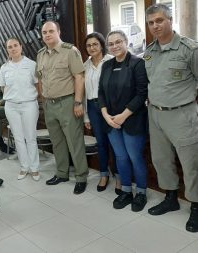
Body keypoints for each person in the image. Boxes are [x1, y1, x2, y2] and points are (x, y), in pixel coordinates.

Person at [144, 4, 198, 232]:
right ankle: (171, 198)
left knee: (191, 164)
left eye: (159, 20)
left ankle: (196, 206)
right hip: (155, 114)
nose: (155, 26)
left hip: (182, 115)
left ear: (170, 20)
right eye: (151, 23)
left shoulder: (190, 49)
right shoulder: (149, 50)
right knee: (162, 160)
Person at [36, 21, 88, 194]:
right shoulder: (41, 54)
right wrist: (43, 99)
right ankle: (62, 173)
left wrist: (78, 102)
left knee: (75, 142)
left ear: (58, 32)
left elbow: (79, 77)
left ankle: (81, 177)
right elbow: (40, 80)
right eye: (44, 32)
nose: (47, 35)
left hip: (68, 103)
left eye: (51, 31)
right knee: (57, 142)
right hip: (49, 104)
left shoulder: (70, 51)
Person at [98, 30, 148, 211]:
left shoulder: (137, 63)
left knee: (135, 157)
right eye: (111, 44)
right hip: (110, 121)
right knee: (120, 157)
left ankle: (141, 192)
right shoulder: (107, 65)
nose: (115, 46)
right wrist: (105, 115)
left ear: (126, 42)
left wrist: (122, 116)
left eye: (118, 41)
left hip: (132, 119)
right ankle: (126, 191)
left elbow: (142, 93)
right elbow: (101, 92)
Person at [0, 37, 40, 181]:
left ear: (21, 47)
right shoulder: (4, 68)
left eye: (15, 45)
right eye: (10, 47)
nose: (13, 49)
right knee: (18, 138)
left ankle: (34, 168)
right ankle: (24, 167)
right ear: (7, 50)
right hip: (11, 106)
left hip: (29, 104)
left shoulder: (31, 64)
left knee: (30, 137)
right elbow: (3, 88)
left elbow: (37, 85)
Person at [83, 32, 120, 193]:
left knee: (115, 144)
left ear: (101, 45)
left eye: (95, 44)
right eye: (89, 45)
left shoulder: (111, 61)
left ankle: (119, 177)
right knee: (102, 143)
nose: (92, 48)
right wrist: (86, 116)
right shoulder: (85, 65)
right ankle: (104, 175)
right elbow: (83, 92)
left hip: (111, 108)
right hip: (93, 107)